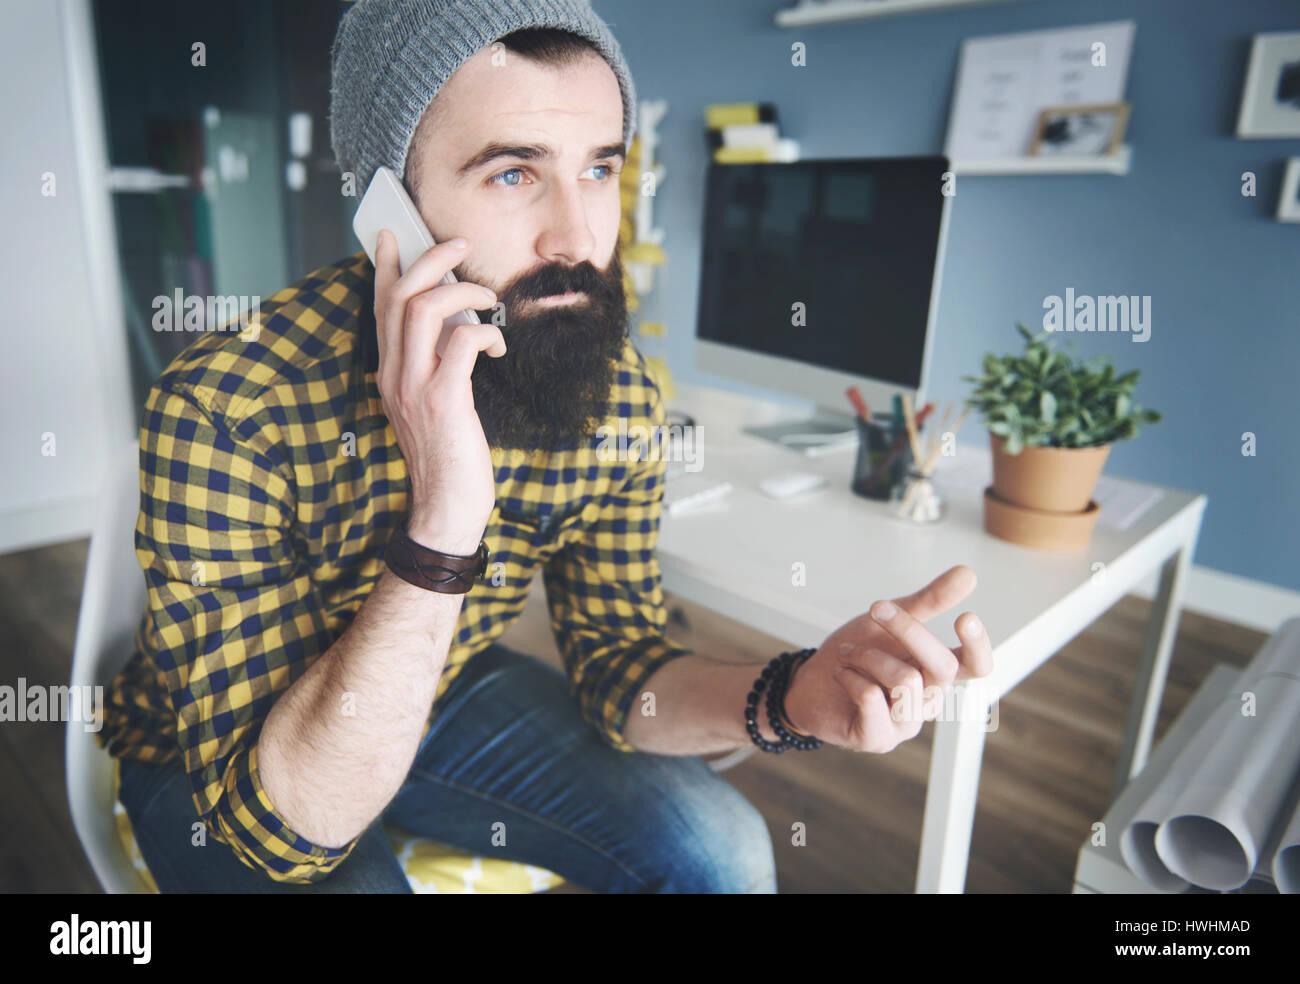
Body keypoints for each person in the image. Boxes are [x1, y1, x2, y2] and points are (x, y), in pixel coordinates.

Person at [98, 0, 993, 894]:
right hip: (229, 752)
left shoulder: (612, 392)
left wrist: (793, 698)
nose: (578, 238)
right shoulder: (228, 406)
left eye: (599, 168)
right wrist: (446, 515)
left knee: (722, 847)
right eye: (512, 174)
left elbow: (621, 664)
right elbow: (292, 831)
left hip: (443, 689)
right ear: (389, 210)